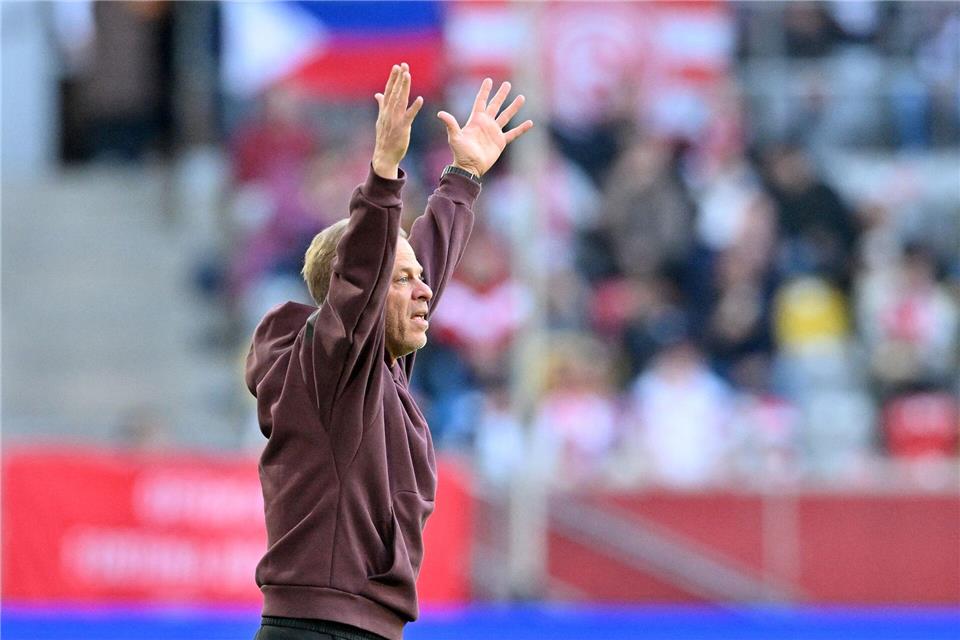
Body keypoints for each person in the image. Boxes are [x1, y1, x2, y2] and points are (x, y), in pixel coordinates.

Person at [245, 63, 532, 640]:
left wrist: (464, 176)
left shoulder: (377, 371)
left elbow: (420, 262)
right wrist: (382, 177)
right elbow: (362, 287)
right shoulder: (326, 371)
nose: (425, 289)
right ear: (363, 290)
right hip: (320, 632)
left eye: (418, 277)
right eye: (400, 279)